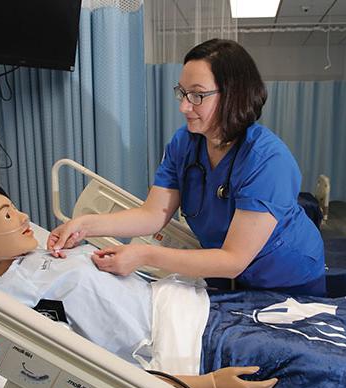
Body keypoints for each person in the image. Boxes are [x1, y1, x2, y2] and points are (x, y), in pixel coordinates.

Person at [0, 180, 277, 388]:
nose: (23, 215)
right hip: (182, 343)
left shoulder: (37, 254)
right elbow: (90, 373)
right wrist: (206, 387)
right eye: (7, 214)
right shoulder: (13, 298)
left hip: (190, 304)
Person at [48, 39, 325, 297]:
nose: (183, 106)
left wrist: (143, 255)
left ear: (234, 96)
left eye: (197, 95)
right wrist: (83, 225)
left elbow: (233, 259)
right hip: (226, 273)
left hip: (288, 275)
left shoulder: (267, 159)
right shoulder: (185, 143)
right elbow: (153, 213)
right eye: (182, 93)